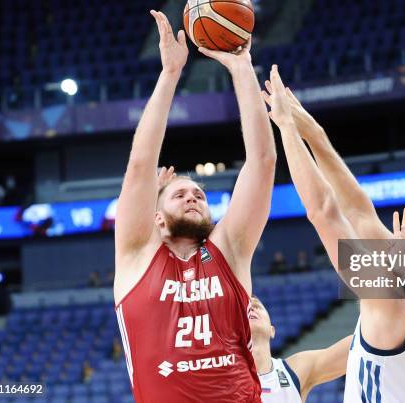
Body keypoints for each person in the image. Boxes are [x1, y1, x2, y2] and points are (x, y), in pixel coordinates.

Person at [263, 64, 405, 402]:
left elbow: (323, 211)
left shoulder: (389, 297)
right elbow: (359, 211)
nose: (392, 237)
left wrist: (287, 126)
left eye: (401, 236)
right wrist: (315, 134)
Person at [113, 10, 275, 403]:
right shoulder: (136, 255)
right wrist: (169, 75)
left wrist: (241, 67)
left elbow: (263, 162)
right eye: (179, 194)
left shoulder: (229, 251)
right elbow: (139, 167)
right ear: (156, 218)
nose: (193, 196)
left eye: (199, 195)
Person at [250, 296, 351, 402]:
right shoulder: (230, 376)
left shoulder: (296, 369)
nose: (251, 308)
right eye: (245, 308)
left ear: (272, 330)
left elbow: (356, 346)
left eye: (256, 306)